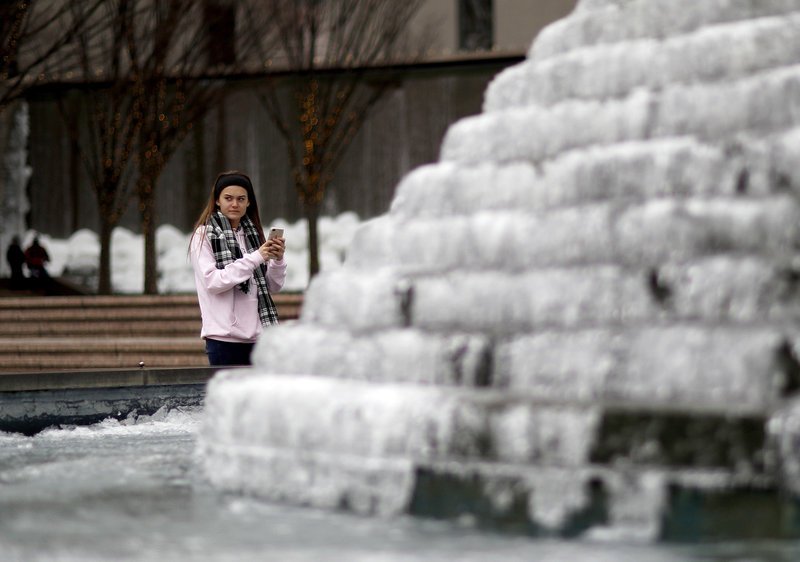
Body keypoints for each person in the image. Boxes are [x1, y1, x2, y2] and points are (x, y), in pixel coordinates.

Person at [189, 171, 286, 366]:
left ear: (249, 202)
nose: (235, 204)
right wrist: (256, 257)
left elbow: (273, 287)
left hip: (259, 338)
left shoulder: (252, 234)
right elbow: (213, 282)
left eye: (241, 199)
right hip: (223, 340)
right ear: (217, 201)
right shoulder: (204, 234)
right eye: (228, 198)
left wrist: (277, 259)